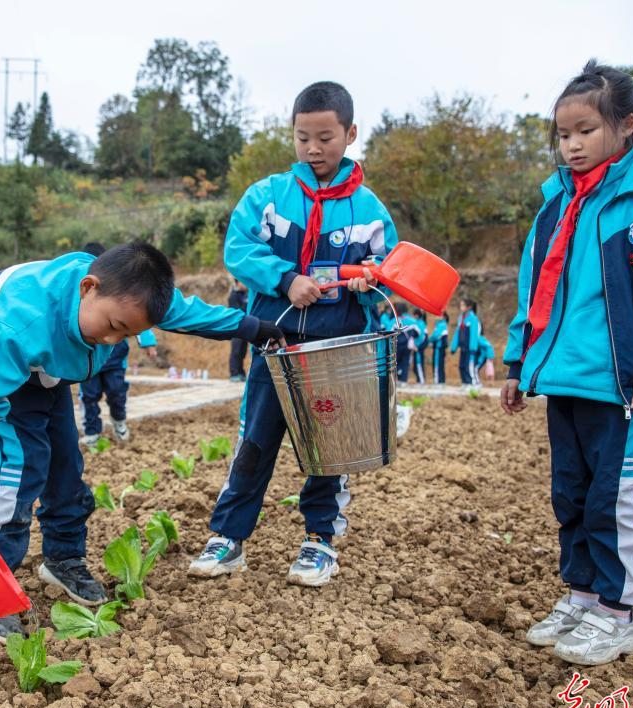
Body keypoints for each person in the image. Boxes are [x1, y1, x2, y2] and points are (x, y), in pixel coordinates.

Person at [0, 242, 283, 641]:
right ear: (88, 288)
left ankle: (63, 558)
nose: (112, 340)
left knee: (66, 463)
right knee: (23, 462)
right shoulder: (19, 322)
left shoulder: (129, 296)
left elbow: (190, 313)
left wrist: (251, 328)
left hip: (47, 366)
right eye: (114, 327)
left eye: (128, 334)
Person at [501, 61, 633, 666]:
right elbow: (534, 292)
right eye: (563, 134)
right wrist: (519, 361)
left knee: (615, 501)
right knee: (569, 495)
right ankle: (582, 594)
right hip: (565, 378)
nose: (571, 145)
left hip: (622, 388)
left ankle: (620, 614)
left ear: (625, 126)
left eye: (585, 131)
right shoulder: (555, 207)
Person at [188, 81, 398, 588]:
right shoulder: (268, 197)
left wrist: (371, 281)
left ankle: (320, 540)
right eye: (303, 137)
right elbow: (237, 250)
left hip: (336, 348)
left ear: (349, 134)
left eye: (325, 137)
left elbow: (387, 273)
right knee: (254, 442)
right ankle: (228, 537)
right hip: (274, 343)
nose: (313, 148)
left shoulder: (369, 210)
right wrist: (286, 280)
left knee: (331, 446)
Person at [75, 243, 158, 443]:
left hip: (115, 359)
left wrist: (148, 343)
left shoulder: (119, 287)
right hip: (88, 362)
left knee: (117, 392)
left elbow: (135, 316)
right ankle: (92, 431)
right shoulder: (82, 291)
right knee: (89, 396)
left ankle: (119, 421)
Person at [451, 298, 482, 386]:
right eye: (461, 305)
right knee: (461, 366)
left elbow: (474, 334)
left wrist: (473, 347)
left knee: (469, 366)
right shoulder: (461, 318)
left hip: (470, 348)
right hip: (463, 347)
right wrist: (454, 347)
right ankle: (465, 383)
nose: (461, 307)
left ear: (469, 307)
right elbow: (457, 333)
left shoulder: (473, 318)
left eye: (463, 305)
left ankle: (472, 383)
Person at [228, 278, 250, 382]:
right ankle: (234, 373)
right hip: (236, 327)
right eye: (242, 281)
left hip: (246, 327)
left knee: (242, 351)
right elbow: (235, 311)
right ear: (237, 283)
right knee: (236, 351)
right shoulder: (234, 295)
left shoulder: (248, 294)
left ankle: (241, 372)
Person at [431, 313, 450, 385]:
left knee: (437, 364)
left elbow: (435, 336)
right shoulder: (440, 324)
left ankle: (438, 381)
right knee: (440, 364)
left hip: (439, 348)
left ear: (444, 317)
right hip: (440, 348)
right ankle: (441, 381)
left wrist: (429, 340)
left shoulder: (441, 325)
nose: (436, 316)